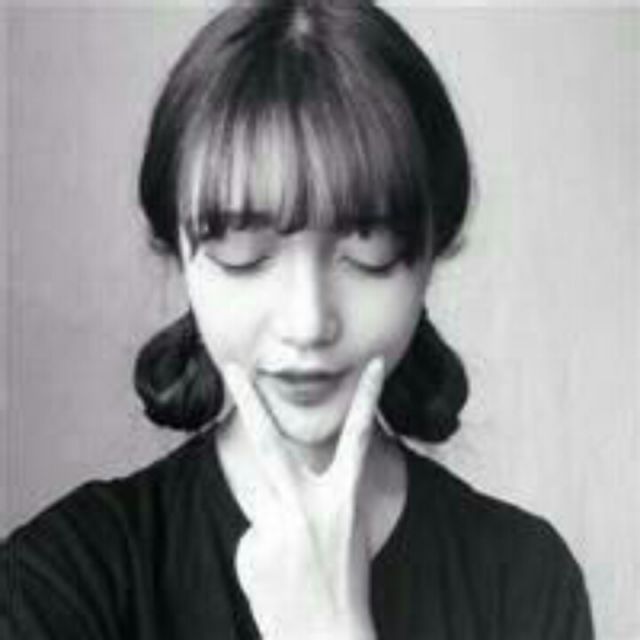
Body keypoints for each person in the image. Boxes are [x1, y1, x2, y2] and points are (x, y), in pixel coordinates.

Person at [1, 1, 594, 638]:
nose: (308, 323)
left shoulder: (528, 580)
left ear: (430, 253)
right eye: (244, 252)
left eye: (367, 249)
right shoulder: (60, 580)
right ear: (180, 253)